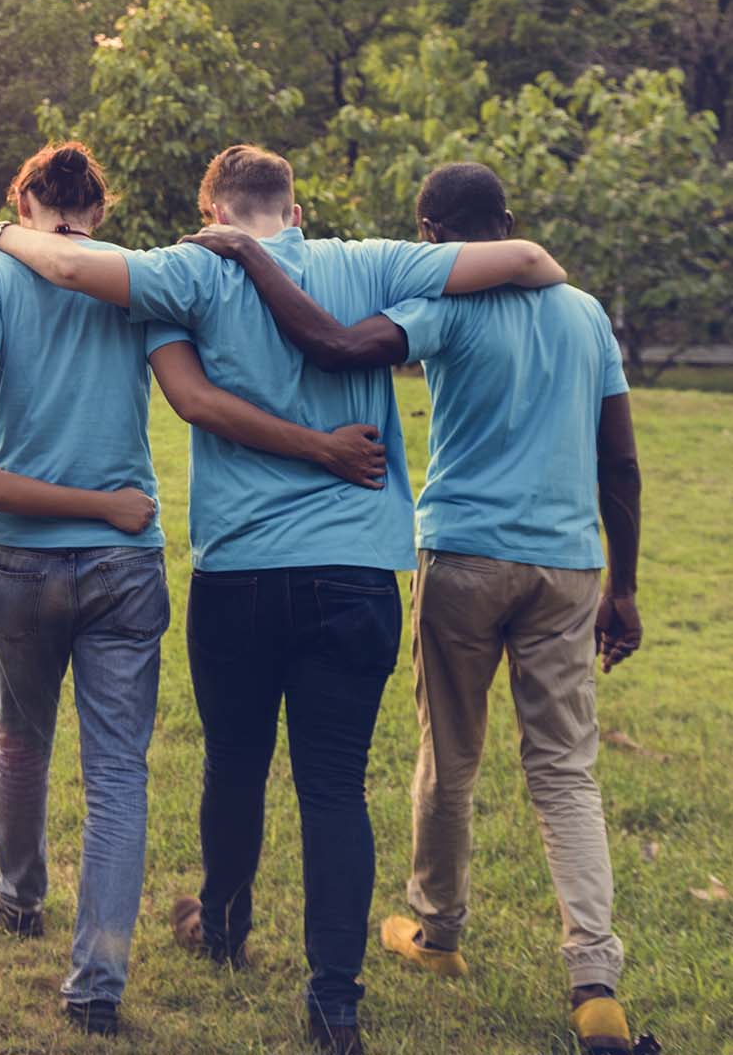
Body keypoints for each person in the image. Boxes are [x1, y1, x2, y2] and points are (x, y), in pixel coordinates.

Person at [0, 145, 393, 1037]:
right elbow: (187, 395)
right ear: (99, 212)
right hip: (123, 555)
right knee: (116, 776)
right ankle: (97, 979)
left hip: (23, 556)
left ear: (20, 199)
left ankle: (18, 895)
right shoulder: (135, 278)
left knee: (20, 743)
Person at [0, 144, 567, 1055]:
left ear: (212, 212)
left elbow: (65, 262)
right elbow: (530, 260)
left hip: (241, 571)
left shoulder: (194, 271)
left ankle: (222, 923)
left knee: (236, 764)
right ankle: (334, 998)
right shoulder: (370, 261)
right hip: (358, 572)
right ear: (294, 213)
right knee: (334, 785)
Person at [183, 161, 644, 1055]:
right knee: (565, 773)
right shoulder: (586, 314)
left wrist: (246, 252)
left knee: (452, 752)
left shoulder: (446, 309)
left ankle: (437, 931)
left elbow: (337, 345)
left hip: (465, 554)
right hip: (570, 567)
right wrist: (622, 587)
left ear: (429, 236)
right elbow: (619, 462)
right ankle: (595, 981)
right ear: (507, 223)